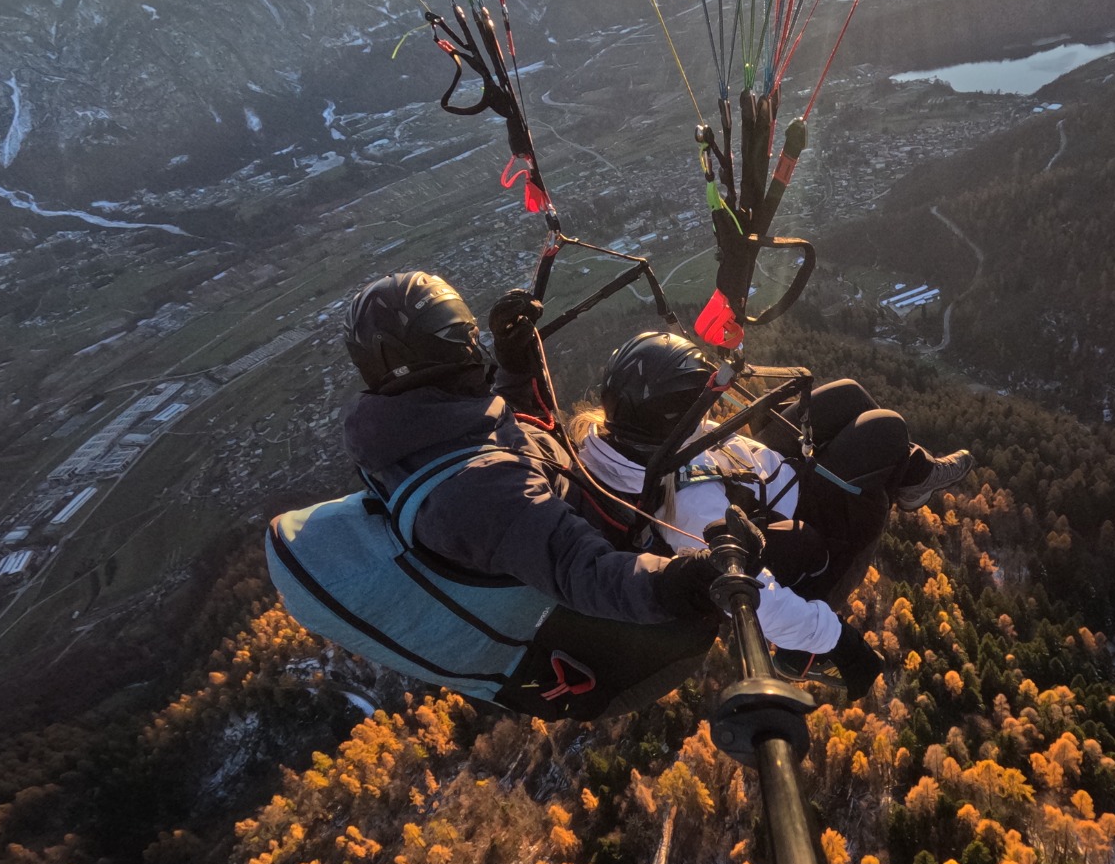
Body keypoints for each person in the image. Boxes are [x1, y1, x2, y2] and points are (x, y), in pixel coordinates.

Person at [571, 330, 972, 694]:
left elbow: (708, 449)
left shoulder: (635, 438)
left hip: (753, 472)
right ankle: (906, 479)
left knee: (849, 394)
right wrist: (835, 641)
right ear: (671, 417)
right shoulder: (691, 507)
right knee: (885, 429)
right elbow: (746, 592)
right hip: (797, 524)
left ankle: (911, 474)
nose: (707, 405)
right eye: (699, 401)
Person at [339, 272, 723, 628]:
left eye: (468, 331)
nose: (472, 346)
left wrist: (516, 367)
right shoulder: (478, 490)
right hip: (627, 541)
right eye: (455, 336)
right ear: (411, 356)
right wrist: (683, 582)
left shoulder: (416, 426)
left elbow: (508, 434)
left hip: (591, 490)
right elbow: (580, 568)